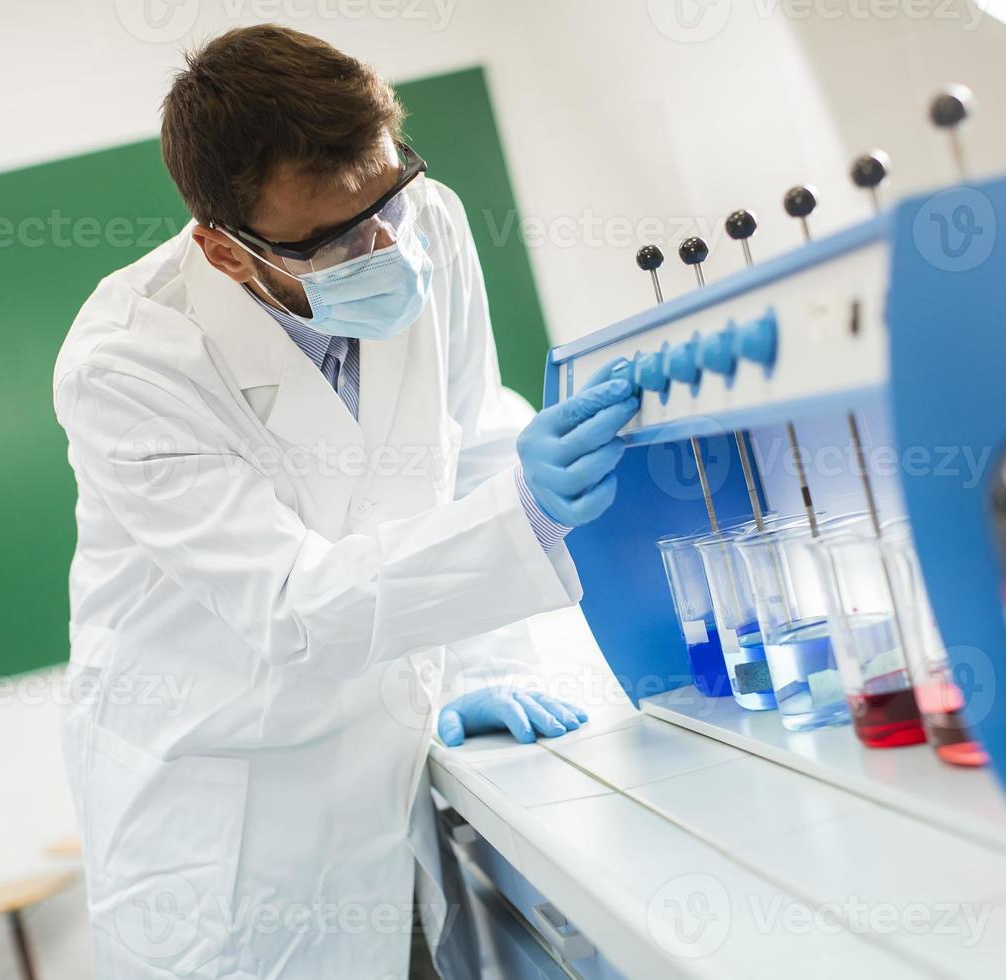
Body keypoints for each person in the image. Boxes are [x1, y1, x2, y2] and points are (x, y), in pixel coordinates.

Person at [52, 24, 637, 980]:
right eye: (332, 239)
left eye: (387, 198)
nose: (383, 246)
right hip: (233, 820)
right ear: (227, 251)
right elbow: (289, 603)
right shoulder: (127, 363)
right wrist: (524, 517)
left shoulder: (427, 221)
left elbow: (472, 440)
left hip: (394, 765)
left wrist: (479, 666)